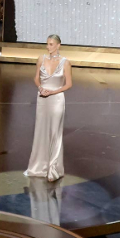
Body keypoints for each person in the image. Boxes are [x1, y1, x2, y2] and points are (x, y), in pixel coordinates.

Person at [25, 33, 72, 181]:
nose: (48, 47)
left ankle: (54, 169)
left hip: (57, 99)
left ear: (58, 45)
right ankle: (39, 167)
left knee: (55, 133)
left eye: (51, 44)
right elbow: (36, 78)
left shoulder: (65, 62)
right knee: (41, 132)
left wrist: (53, 92)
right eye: (47, 44)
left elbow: (69, 84)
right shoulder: (41, 58)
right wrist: (41, 88)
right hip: (42, 99)